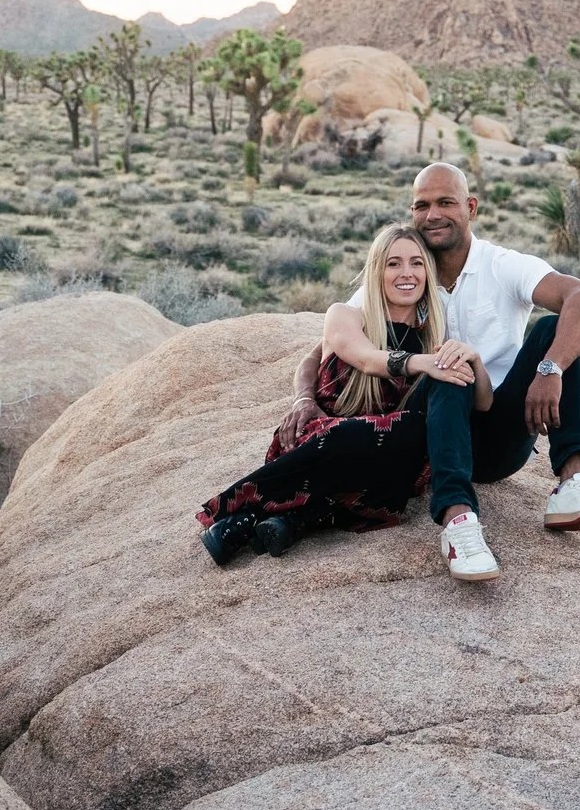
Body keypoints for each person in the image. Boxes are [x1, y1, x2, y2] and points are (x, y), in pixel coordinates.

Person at [196, 222, 486, 566]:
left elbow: (482, 403)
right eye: (393, 263)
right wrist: (304, 399)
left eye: (417, 262)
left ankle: (292, 518)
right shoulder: (345, 316)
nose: (406, 273)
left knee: (414, 430)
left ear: (427, 271)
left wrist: (474, 360)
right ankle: (255, 515)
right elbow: (366, 359)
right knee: (356, 435)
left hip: (386, 452)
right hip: (324, 438)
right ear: (376, 271)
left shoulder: (433, 336)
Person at [403, 161, 580, 582]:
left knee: (551, 330)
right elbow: (338, 331)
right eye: (422, 205)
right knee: (452, 367)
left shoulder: (501, 264)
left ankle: (572, 483)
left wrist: (550, 369)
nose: (432, 215)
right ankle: (458, 522)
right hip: (430, 434)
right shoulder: (405, 271)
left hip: (500, 437)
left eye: (446, 202)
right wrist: (306, 396)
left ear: (471, 207)